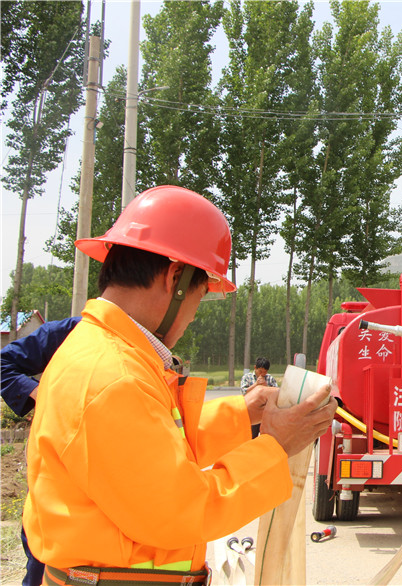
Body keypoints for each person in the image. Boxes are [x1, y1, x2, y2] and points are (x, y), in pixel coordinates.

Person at [23, 185, 337, 585]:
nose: (192, 317)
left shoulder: (103, 354)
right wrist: (275, 446)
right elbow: (183, 510)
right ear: (176, 278)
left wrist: (244, 413)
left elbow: (150, 445)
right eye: (200, 297)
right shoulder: (113, 377)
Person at [1, 317, 80, 586]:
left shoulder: (152, 346)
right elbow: (3, 364)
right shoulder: (70, 332)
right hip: (55, 487)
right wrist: (42, 393)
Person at [240, 357, 278, 438]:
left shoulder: (270, 378)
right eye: (260, 371)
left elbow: (277, 394)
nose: (262, 374)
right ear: (255, 368)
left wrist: (266, 387)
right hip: (252, 413)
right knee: (251, 436)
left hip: (266, 414)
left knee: (266, 437)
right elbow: (244, 392)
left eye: (265, 372)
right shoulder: (247, 377)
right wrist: (256, 384)